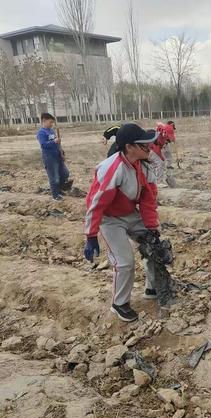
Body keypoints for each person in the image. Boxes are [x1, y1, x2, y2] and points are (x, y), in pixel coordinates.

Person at [83, 124, 160, 322]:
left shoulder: (143, 166)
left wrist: (151, 228)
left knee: (154, 247)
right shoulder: (111, 169)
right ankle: (119, 303)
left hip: (130, 213)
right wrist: (91, 235)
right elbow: (95, 204)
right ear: (129, 147)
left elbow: (148, 200)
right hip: (110, 219)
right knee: (125, 262)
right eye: (143, 144)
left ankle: (152, 287)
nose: (148, 147)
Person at [36, 113, 72, 201]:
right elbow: (43, 145)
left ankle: (59, 190)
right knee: (54, 177)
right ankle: (55, 196)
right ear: (44, 121)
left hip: (57, 156)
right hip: (49, 158)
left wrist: (62, 151)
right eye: (50, 122)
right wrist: (54, 142)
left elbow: (57, 143)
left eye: (52, 122)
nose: (52, 124)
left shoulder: (51, 131)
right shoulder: (41, 133)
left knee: (65, 173)